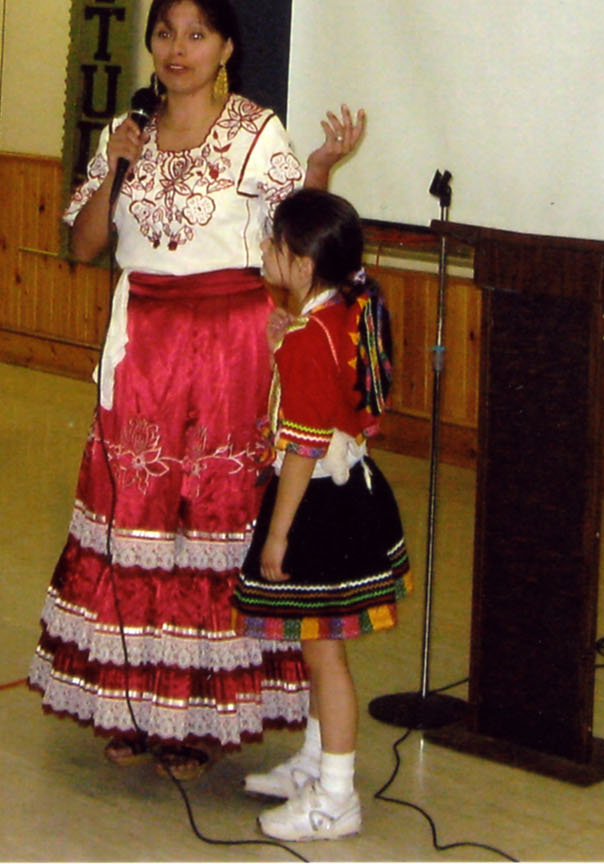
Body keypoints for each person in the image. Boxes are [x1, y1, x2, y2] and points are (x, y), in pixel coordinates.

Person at [27, 0, 365, 780]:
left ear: (226, 49)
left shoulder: (255, 132)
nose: (177, 51)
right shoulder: (127, 131)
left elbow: (299, 235)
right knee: (134, 517)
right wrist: (113, 168)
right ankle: (134, 699)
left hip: (230, 350)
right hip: (141, 345)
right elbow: (83, 246)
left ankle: (200, 714)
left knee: (212, 520)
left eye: (197, 35)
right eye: (165, 34)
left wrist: (317, 167)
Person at [233, 188, 411, 842]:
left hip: (320, 506)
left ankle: (335, 797)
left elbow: (303, 450)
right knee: (318, 649)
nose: (264, 251)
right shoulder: (340, 314)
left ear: (303, 263)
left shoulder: (315, 334)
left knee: (323, 653)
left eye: (273, 244)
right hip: (351, 494)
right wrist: (289, 341)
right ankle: (315, 761)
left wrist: (277, 534)